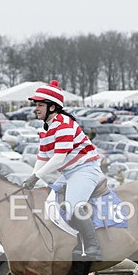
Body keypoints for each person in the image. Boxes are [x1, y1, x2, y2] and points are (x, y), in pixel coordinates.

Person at [23, 80, 104, 261]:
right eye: (36, 105)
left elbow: (59, 157)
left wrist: (36, 177)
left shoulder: (64, 124)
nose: (36, 108)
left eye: (40, 105)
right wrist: (32, 178)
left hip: (85, 169)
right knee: (51, 202)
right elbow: (43, 157)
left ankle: (94, 247)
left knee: (73, 206)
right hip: (69, 173)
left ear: (52, 107)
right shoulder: (47, 128)